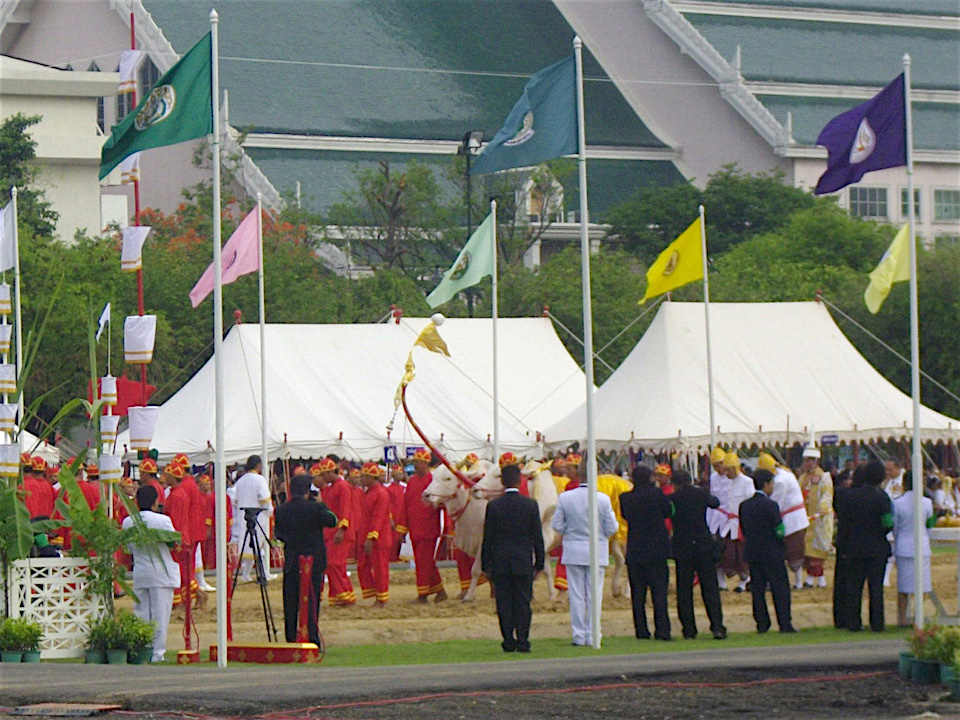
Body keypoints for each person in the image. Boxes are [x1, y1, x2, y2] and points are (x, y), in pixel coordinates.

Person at [551, 457, 619, 646]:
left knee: (576, 594)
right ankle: (593, 633)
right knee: (594, 594)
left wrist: (571, 532)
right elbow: (612, 528)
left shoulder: (566, 498)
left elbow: (557, 524)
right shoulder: (603, 499)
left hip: (574, 549)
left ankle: (579, 635)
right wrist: (599, 534)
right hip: (596, 549)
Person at [481, 463, 545, 652]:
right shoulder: (530, 505)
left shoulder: (493, 506)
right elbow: (537, 537)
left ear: (501, 481)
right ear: (520, 481)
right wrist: (539, 563)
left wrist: (486, 564)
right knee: (523, 602)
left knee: (504, 603)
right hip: (523, 561)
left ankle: (508, 640)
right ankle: (523, 640)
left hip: (500, 561)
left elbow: (488, 539)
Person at [275, 473, 338, 644]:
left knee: (290, 600)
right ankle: (311, 636)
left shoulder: (281, 510)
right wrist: (320, 503)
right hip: (314, 560)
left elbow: (278, 534)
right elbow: (332, 520)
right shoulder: (315, 508)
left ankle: (290, 636)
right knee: (311, 599)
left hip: (292, 560)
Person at [122, 485, 180, 662]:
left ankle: (142, 650)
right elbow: (173, 544)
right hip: (160, 572)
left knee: (141, 614)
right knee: (160, 615)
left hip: (141, 570)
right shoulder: (163, 521)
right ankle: (157, 654)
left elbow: (129, 548)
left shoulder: (128, 521)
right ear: (156, 501)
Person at [834, 460, 892, 632]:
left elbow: (843, 525)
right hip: (876, 548)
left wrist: (842, 546)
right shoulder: (882, 496)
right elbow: (888, 523)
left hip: (854, 547)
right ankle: (877, 623)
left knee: (854, 587)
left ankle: (853, 622)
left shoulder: (849, 496)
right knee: (876, 588)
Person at [670, 468, 726, 640]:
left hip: (682, 546)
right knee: (710, 587)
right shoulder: (701, 494)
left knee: (684, 590)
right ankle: (717, 626)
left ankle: (689, 629)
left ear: (675, 484)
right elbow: (715, 502)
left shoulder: (672, 499)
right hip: (703, 544)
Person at [619, 465, 673, 641]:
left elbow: (625, 517)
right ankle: (662, 630)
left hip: (635, 550)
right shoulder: (657, 494)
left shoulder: (625, 498)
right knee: (659, 593)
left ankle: (641, 631)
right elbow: (668, 511)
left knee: (638, 595)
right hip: (657, 549)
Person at [739, 469, 795, 634]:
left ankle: (762, 624)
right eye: (771, 484)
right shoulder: (771, 505)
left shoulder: (744, 506)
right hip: (772, 553)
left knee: (758, 590)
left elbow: (744, 529)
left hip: (754, 552)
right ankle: (785, 623)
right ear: (765, 484)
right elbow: (779, 529)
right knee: (780, 589)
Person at [394, 449, 447, 603]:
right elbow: (405, 506)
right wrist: (402, 529)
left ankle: (423, 594)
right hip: (415, 528)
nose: (415, 465)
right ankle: (439, 590)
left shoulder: (433, 481)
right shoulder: (412, 482)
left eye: (417, 462)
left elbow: (440, 503)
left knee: (424, 562)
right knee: (424, 561)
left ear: (425, 463)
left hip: (429, 527)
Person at [758, 453, 810, 590]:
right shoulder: (785, 473)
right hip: (794, 517)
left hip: (792, 520)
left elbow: (775, 504)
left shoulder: (780, 481)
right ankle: (797, 581)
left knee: (793, 551)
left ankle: (798, 581)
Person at [893, 470, 934, 627]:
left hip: (904, 545)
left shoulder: (897, 503)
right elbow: (929, 525)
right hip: (922, 546)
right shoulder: (927, 503)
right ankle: (919, 617)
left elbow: (895, 527)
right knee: (922, 586)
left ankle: (902, 618)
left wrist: (899, 539)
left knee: (903, 587)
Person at [316, 458, 356, 606]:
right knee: (330, 564)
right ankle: (338, 595)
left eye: (325, 474)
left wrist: (342, 529)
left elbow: (345, 509)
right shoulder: (330, 487)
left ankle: (346, 594)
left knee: (335, 563)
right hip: (330, 532)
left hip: (340, 532)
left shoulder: (343, 486)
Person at [234, 454, 276, 583]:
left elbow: (236, 500)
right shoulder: (259, 480)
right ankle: (263, 573)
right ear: (258, 465)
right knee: (257, 544)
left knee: (248, 544)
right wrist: (270, 511)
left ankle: (246, 574)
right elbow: (264, 499)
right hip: (258, 515)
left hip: (243, 516)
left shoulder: (240, 481)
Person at [798, 445, 833, 588]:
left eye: (808, 461)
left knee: (818, 549)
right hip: (805, 517)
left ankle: (818, 577)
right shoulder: (802, 478)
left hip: (818, 517)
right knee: (806, 549)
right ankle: (811, 577)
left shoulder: (824, 477)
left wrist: (823, 508)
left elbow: (827, 494)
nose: (805, 464)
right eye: (804, 461)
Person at [718, 452, 754, 593]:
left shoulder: (747, 482)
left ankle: (743, 583)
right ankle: (731, 581)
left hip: (742, 524)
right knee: (729, 554)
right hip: (731, 524)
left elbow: (749, 503)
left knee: (742, 555)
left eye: (728, 469)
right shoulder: (730, 484)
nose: (726, 473)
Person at [357, 462, 391, 606]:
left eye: (364, 477)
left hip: (378, 538)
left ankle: (381, 598)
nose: (361, 480)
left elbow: (379, 517)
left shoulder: (381, 494)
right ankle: (373, 591)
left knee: (380, 568)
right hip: (367, 535)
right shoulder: (369, 493)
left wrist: (372, 537)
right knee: (363, 566)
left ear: (371, 477)